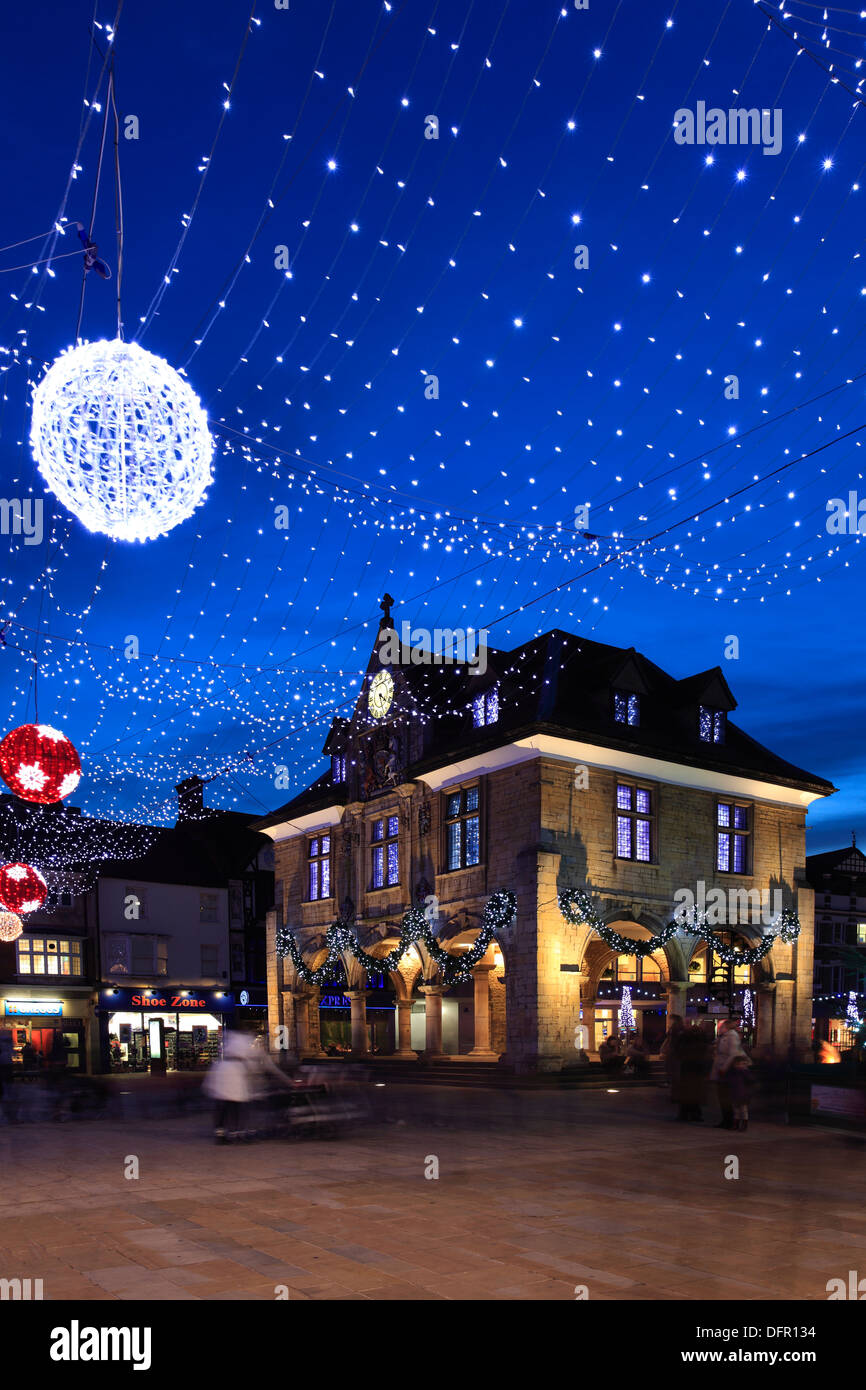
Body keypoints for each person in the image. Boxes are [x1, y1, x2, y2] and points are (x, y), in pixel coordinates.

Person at [202, 1032, 256, 1143]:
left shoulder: (222, 1063)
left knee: (222, 1111)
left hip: (222, 1092)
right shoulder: (240, 1059)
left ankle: (221, 1135)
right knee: (235, 1111)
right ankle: (236, 1134)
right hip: (235, 1091)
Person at [710, 1018, 747, 1129]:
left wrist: (724, 1068)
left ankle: (730, 1120)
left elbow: (732, 1054)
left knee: (726, 1096)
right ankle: (726, 1119)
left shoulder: (731, 1036)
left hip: (727, 1071)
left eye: (721, 1026)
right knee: (722, 1096)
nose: (720, 1028)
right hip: (722, 1068)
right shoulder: (723, 1037)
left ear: (726, 1027)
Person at [676, 1022, 712, 1122]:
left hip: (687, 1070)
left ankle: (684, 1113)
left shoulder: (685, 1043)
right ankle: (695, 1114)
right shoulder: (702, 1045)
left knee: (686, 1093)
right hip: (697, 1070)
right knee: (695, 1093)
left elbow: (678, 1051)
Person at [727, 1054, 753, 1131]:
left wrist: (745, 1071)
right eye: (738, 1064)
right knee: (736, 1110)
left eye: (743, 1064)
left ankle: (744, 1125)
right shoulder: (733, 1072)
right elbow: (729, 1081)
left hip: (743, 1095)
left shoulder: (745, 1073)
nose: (740, 1066)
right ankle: (736, 1124)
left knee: (743, 1110)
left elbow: (750, 1080)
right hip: (734, 1094)